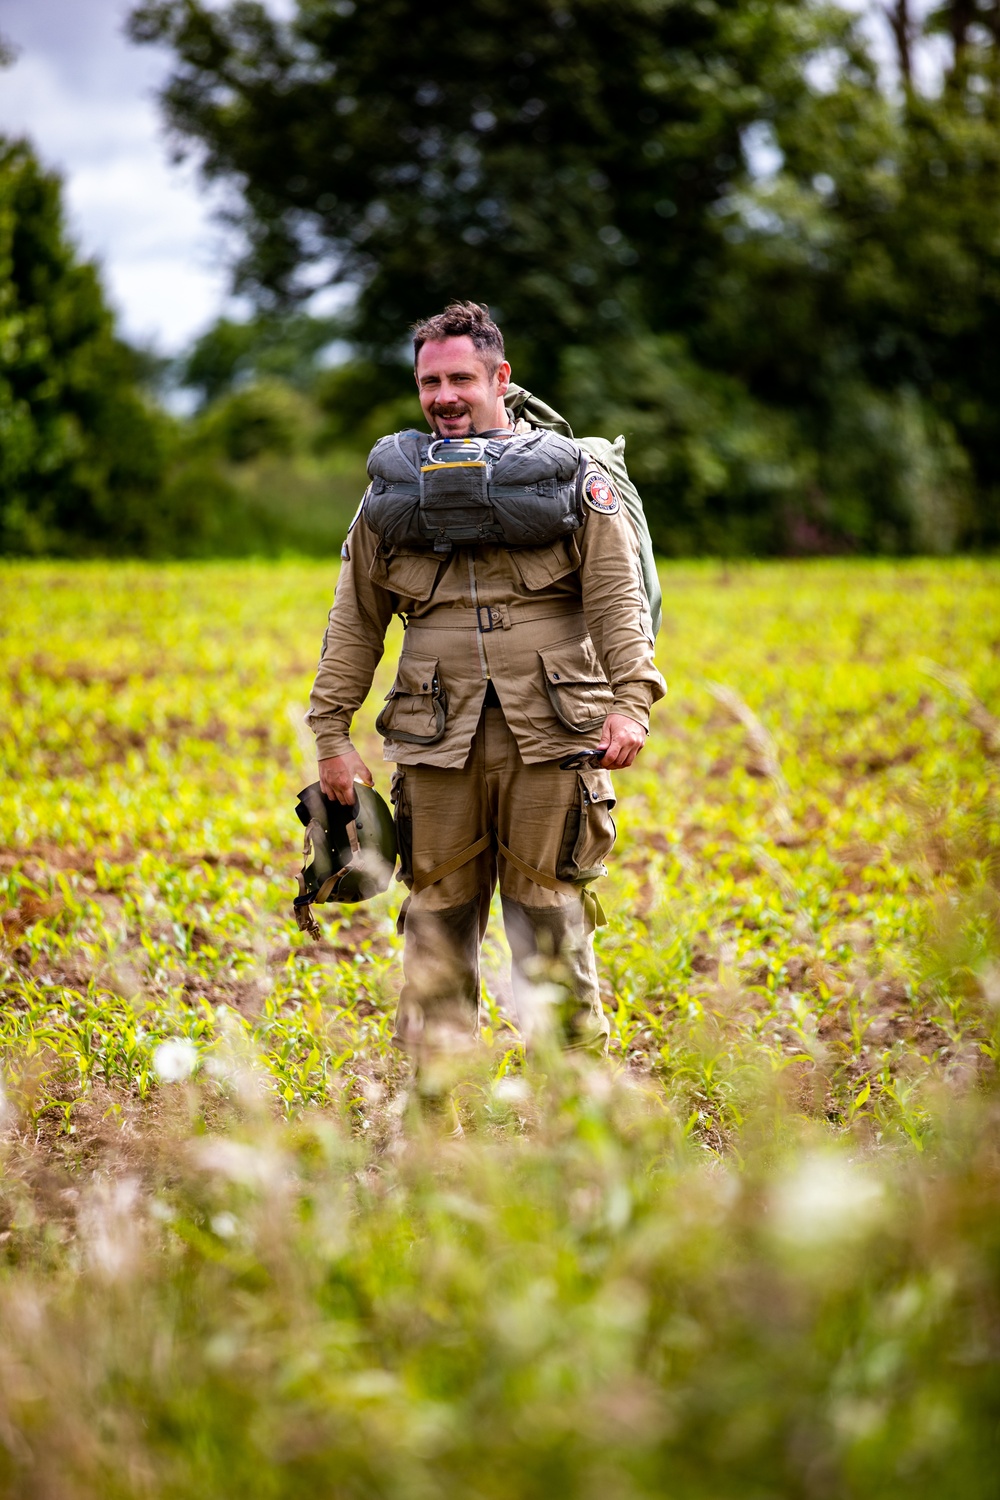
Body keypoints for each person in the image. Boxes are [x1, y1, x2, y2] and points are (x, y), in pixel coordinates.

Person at [307, 301, 665, 1060]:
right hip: (435, 743)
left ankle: (575, 1111)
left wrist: (632, 703)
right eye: (429, 381)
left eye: (460, 378)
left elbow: (615, 595)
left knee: (550, 917)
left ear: (500, 378)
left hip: (555, 738)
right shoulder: (391, 493)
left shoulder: (573, 479)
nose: (443, 396)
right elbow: (355, 622)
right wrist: (331, 735)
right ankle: (436, 1113)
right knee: (436, 920)